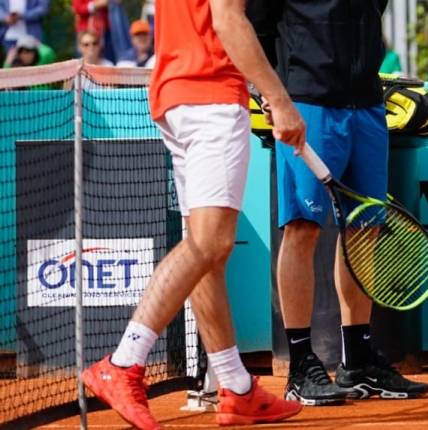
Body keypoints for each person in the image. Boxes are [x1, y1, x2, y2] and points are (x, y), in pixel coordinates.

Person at [80, 0, 307, 427]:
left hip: (176, 96)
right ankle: (124, 360)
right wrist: (279, 99)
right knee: (210, 243)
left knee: (209, 254)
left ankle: (237, 387)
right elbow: (226, 19)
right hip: (211, 97)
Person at [250, 0, 428, 405]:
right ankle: (299, 365)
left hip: (367, 102)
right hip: (307, 102)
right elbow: (253, 27)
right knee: (302, 228)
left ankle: (358, 361)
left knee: (364, 229)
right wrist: (271, 94)